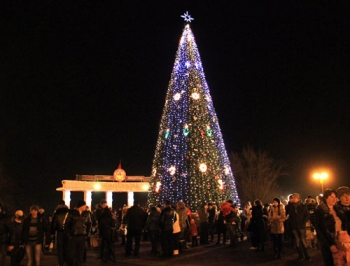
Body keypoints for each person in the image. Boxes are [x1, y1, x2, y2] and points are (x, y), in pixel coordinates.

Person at [64, 200, 92, 266]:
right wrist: (69, 235)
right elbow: (66, 224)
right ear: (81, 206)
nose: (85, 206)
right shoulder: (71, 213)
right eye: (84, 205)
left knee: (80, 255)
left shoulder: (87, 214)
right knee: (72, 255)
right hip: (73, 236)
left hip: (82, 236)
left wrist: (87, 234)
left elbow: (89, 224)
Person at [288, 193, 311, 261]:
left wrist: (303, 222)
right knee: (297, 240)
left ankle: (307, 256)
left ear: (298, 198)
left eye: (295, 197)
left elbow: (307, 215)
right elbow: (290, 216)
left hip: (301, 226)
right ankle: (300, 255)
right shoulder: (291, 207)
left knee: (303, 240)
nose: (293, 198)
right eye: (293, 197)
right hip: (294, 226)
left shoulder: (303, 206)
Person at [50, 200, 69, 266]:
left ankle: (61, 263)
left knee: (60, 248)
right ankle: (67, 261)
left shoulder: (56, 213)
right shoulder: (68, 213)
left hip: (59, 232)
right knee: (67, 247)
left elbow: (54, 224)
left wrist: (52, 232)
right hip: (68, 232)